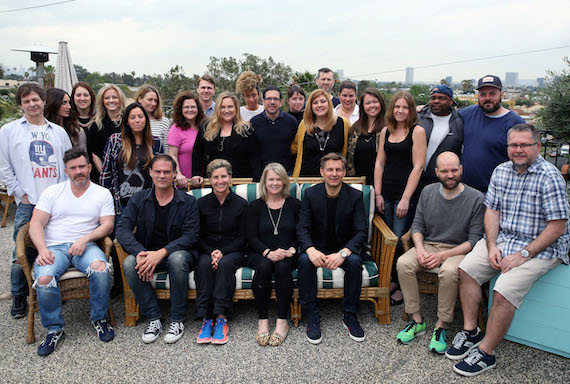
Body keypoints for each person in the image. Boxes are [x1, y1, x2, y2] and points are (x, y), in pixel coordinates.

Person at [447, 124, 570, 376]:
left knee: (503, 290)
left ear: (537, 146)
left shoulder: (550, 176)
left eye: (524, 145)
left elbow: (557, 227)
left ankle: (486, 352)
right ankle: (471, 331)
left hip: (541, 247)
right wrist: (491, 245)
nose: (518, 150)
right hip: (505, 238)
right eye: (513, 145)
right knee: (466, 269)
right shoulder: (501, 171)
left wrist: (523, 254)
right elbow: (492, 210)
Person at [28, 148, 115, 356]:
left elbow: (108, 225)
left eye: (82, 166)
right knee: (44, 278)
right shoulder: (52, 192)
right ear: (66, 170)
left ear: (90, 167)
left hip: (86, 246)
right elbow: (35, 223)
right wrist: (42, 249)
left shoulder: (101, 193)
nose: (78, 171)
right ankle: (54, 329)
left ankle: (100, 320)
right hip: (54, 247)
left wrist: (85, 239)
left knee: (101, 268)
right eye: (73, 168)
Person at [396, 152, 484, 354]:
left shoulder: (476, 198)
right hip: (428, 245)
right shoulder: (427, 191)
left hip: (458, 250)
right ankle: (416, 320)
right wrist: (419, 249)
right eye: (444, 171)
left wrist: (442, 256)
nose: (450, 175)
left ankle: (441, 325)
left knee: (449, 272)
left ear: (461, 169)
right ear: (437, 172)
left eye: (454, 170)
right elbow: (417, 226)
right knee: (403, 263)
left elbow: (473, 240)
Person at [0, 83, 72, 319]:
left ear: (43, 101)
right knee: (21, 249)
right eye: (26, 100)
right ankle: (19, 295)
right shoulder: (9, 131)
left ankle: (52, 288)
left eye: (36, 99)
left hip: (56, 201)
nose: (32, 104)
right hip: (29, 201)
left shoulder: (58, 132)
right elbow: (3, 166)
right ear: (20, 104)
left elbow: (68, 164)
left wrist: (64, 194)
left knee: (54, 244)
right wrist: (20, 194)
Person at [117, 154, 200, 344]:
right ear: (150, 173)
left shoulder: (188, 202)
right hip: (146, 253)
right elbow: (122, 229)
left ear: (174, 174)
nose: (162, 176)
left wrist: (162, 252)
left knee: (176, 259)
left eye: (167, 172)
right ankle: (154, 318)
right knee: (129, 263)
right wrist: (139, 252)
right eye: (158, 172)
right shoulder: (138, 199)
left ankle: (177, 319)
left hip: (178, 254)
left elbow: (191, 236)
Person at [297, 153, 368, 344]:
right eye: (330, 169)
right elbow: (302, 227)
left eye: (338, 169)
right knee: (304, 260)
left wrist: (344, 253)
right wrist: (310, 249)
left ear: (344, 172)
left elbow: (361, 231)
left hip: (344, 249)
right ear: (322, 172)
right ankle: (311, 316)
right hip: (317, 249)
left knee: (355, 261)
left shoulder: (355, 196)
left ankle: (350, 315)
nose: (334, 173)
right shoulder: (310, 194)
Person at [374, 90, 426, 305]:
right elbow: (379, 163)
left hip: (406, 195)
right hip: (385, 193)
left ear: (411, 110)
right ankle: (390, 281)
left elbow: (418, 166)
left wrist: (405, 199)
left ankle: (402, 285)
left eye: (405, 107)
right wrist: (377, 193)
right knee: (386, 241)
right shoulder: (386, 130)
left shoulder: (417, 131)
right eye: (397, 107)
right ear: (391, 109)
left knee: (398, 241)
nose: (400, 111)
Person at [247, 163, 301, 346]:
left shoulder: (295, 205)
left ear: (285, 181)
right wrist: (267, 252)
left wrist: (293, 250)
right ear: (265, 181)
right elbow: (251, 237)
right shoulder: (255, 206)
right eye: (271, 179)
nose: (275, 183)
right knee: (264, 266)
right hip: (260, 251)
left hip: (288, 252)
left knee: (283, 266)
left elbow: (301, 233)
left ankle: (281, 321)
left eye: (279, 179)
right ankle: (262, 320)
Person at [195, 159, 248, 345]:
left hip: (234, 251)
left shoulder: (241, 204)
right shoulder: (200, 204)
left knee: (224, 265)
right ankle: (206, 318)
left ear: (230, 178)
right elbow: (197, 234)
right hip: (206, 250)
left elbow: (243, 237)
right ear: (209, 179)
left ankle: (221, 318)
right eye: (215, 177)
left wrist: (222, 253)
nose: (220, 181)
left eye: (224, 176)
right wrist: (212, 252)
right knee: (203, 264)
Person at [460, 75, 525, 192]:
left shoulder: (515, 122)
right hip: (466, 191)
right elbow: (446, 115)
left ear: (502, 95)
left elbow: (524, 158)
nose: (487, 98)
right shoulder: (468, 113)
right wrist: (423, 109)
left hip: (497, 192)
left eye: (492, 94)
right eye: (483, 94)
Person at [100, 102, 163, 221]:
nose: (137, 121)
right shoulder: (115, 141)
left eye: (140, 116)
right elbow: (105, 175)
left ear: (146, 119)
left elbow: (161, 172)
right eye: (132, 117)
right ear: (127, 121)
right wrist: (108, 203)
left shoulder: (156, 143)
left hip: (148, 203)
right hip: (122, 204)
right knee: (122, 237)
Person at [192, 92, 259, 179]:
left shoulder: (246, 130)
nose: (226, 111)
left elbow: (254, 157)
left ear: (236, 108)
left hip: (240, 182)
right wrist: (196, 174)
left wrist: (256, 180)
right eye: (222, 107)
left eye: (230, 107)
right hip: (213, 181)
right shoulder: (206, 127)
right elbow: (197, 153)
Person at [291, 90, 350, 177]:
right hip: (306, 180)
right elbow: (295, 148)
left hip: (334, 179)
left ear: (329, 104)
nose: (319, 105)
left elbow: (348, 152)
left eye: (323, 101)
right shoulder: (304, 125)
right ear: (310, 106)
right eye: (315, 103)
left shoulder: (342, 124)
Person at [417, 84, 463, 187]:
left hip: (442, 182)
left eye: (441, 98)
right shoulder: (419, 117)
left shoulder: (459, 122)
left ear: (451, 101)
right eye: (433, 98)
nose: (436, 101)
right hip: (416, 178)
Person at [251, 87, 299, 174]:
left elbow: (296, 150)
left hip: (286, 175)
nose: (272, 102)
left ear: (281, 102)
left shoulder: (291, 122)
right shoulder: (254, 123)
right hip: (262, 175)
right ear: (263, 102)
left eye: (275, 99)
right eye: (268, 99)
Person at [87, 84, 127, 182]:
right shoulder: (96, 125)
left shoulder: (128, 121)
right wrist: (106, 175)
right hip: (104, 175)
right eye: (107, 98)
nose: (111, 100)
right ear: (102, 101)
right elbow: (94, 154)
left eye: (114, 97)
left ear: (120, 99)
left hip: (127, 174)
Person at [346, 88, 386, 185]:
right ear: (362, 106)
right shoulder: (355, 128)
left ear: (381, 103)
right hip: (357, 183)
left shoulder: (389, 127)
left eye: (375, 102)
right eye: (368, 103)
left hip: (382, 183)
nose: (372, 105)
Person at [167, 91, 205, 189]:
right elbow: (172, 155)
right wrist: (178, 173)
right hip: (184, 183)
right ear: (180, 109)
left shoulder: (205, 127)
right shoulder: (176, 129)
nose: (190, 110)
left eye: (193, 107)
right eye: (186, 107)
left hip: (204, 182)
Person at [45, 88, 87, 152]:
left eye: (69, 102)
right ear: (54, 104)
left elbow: (83, 155)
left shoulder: (76, 131)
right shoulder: (42, 129)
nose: (69, 106)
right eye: (64, 103)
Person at [135, 84, 171, 152]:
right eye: (150, 100)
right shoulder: (133, 121)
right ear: (140, 99)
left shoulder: (163, 122)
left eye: (155, 100)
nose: (153, 103)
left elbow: (167, 150)